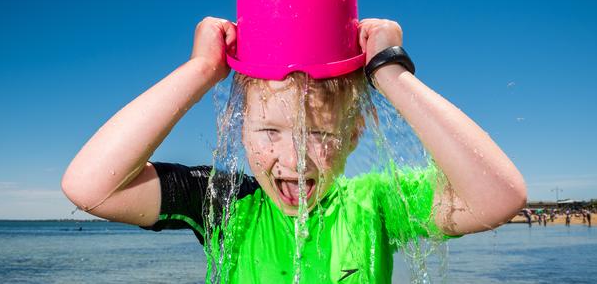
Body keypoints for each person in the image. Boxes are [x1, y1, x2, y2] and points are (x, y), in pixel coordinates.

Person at [61, 17, 528, 283]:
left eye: (321, 136)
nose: (293, 159)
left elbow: (499, 199)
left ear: (354, 135)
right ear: (240, 129)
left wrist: (390, 73)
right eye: (269, 131)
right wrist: (201, 70)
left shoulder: (376, 205)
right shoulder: (226, 206)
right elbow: (90, 187)